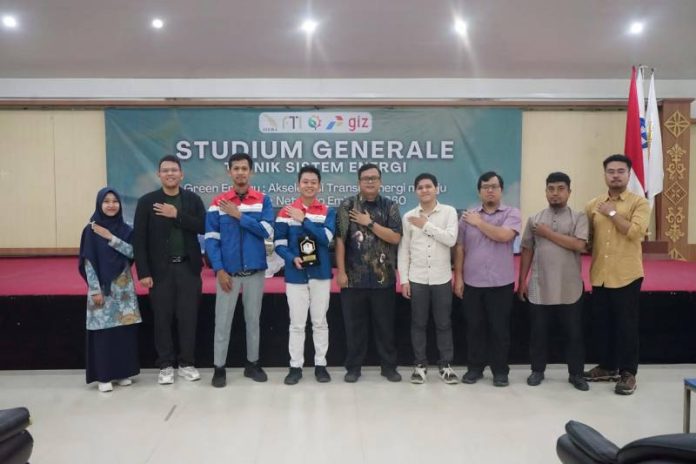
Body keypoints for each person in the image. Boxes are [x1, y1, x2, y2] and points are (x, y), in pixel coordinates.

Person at [133, 155, 206, 385]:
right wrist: (143, 272)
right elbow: (139, 240)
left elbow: (203, 226)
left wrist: (177, 215)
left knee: (188, 318)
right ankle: (165, 365)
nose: (170, 174)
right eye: (165, 170)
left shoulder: (193, 200)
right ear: (159, 175)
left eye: (174, 170)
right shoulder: (147, 202)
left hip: (188, 268)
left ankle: (187, 363)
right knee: (162, 319)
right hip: (159, 271)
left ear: (181, 174)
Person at [206, 152, 274, 387]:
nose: (240, 172)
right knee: (222, 322)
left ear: (251, 172)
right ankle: (219, 368)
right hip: (228, 274)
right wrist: (219, 269)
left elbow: (267, 231)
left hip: (255, 273)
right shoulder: (218, 203)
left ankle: (252, 364)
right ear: (229, 172)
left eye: (244, 168)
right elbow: (211, 240)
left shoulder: (263, 200)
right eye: (236, 168)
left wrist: (239, 216)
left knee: (253, 320)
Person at [583, 154, 650, 395]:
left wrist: (612, 214)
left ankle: (628, 373)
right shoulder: (593, 205)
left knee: (626, 327)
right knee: (603, 325)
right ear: (605, 175)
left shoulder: (639, 203)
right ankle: (608, 366)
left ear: (628, 174)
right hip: (600, 274)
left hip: (627, 275)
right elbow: (588, 240)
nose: (615, 176)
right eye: (611, 171)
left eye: (621, 171)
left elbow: (635, 232)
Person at [517, 172, 589, 391]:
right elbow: (527, 250)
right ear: (546, 191)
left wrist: (547, 233)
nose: (555, 193)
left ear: (569, 192)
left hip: (569, 287)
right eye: (551, 189)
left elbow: (579, 245)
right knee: (538, 334)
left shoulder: (579, 217)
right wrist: (522, 281)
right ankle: (537, 371)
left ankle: (576, 374)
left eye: (560, 189)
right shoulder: (535, 219)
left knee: (574, 334)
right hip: (540, 286)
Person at [336, 163, 403, 383]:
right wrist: (341, 272)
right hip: (353, 279)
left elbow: (395, 237)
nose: (370, 182)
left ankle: (388, 367)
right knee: (354, 328)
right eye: (366, 178)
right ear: (359, 182)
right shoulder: (347, 205)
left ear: (380, 181)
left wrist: (370, 223)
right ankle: (353, 368)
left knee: (385, 327)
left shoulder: (390, 206)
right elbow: (340, 240)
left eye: (374, 178)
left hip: (383, 278)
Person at [454, 171, 521, 387]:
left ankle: (500, 371)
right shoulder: (467, 217)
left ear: (501, 190)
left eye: (494, 186)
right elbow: (460, 247)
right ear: (479, 191)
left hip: (501, 283)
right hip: (473, 282)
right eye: (485, 187)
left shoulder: (512, 213)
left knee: (499, 330)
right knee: (474, 328)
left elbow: (503, 236)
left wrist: (479, 223)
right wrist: (458, 277)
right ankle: (475, 368)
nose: (489, 190)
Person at [274, 165, 336, 385]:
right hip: (295, 274)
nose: (309, 185)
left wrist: (304, 220)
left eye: (313, 182)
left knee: (320, 322)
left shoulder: (328, 211)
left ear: (319, 186)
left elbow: (326, 239)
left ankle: (321, 365)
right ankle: (295, 367)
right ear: (298, 185)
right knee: (297, 324)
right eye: (305, 182)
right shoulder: (285, 212)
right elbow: (279, 244)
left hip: (320, 274)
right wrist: (292, 258)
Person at [397, 173, 459, 384]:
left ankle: (446, 365)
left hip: (442, 278)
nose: (424, 190)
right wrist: (404, 280)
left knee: (443, 323)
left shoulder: (449, 212)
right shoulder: (408, 216)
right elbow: (404, 250)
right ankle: (420, 365)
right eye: (420, 187)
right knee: (418, 323)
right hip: (417, 278)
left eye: (428, 186)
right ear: (415, 191)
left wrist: (425, 225)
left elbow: (451, 240)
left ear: (436, 189)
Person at [79, 188, 141, 393]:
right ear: (99, 204)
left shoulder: (126, 229)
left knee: (123, 332)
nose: (111, 205)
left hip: (123, 289)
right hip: (102, 289)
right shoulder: (91, 230)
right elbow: (88, 262)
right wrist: (94, 290)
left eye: (115, 201)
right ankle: (104, 376)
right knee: (104, 334)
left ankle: (123, 372)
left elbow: (133, 252)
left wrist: (111, 237)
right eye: (106, 201)